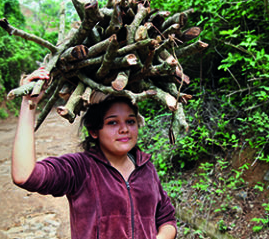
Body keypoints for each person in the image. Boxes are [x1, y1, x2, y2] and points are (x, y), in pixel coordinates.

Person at [12, 67, 177, 239]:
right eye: (113, 123)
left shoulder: (146, 167)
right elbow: (25, 176)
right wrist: (28, 104)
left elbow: (167, 218)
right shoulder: (80, 168)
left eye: (130, 121)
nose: (124, 129)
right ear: (93, 131)